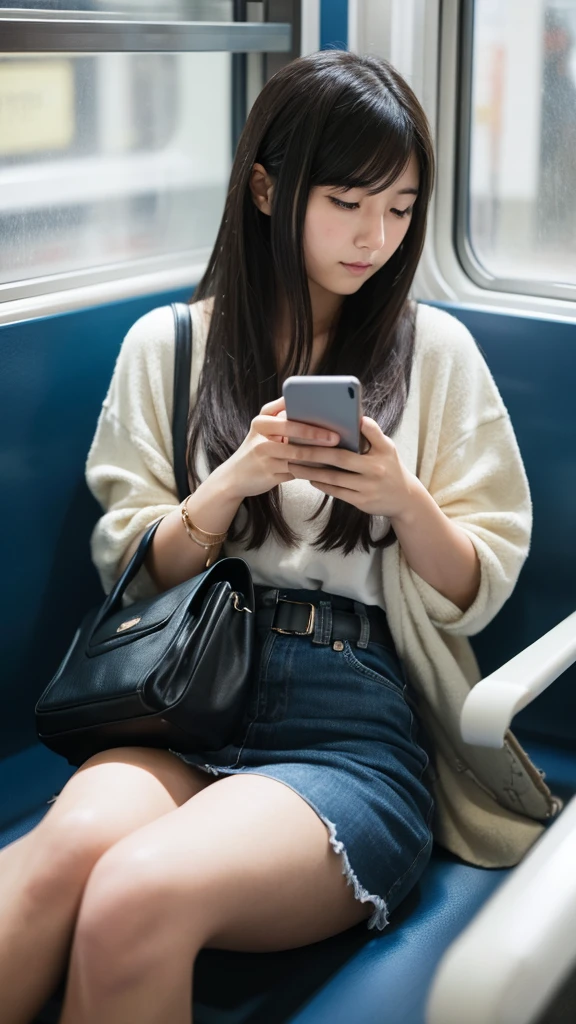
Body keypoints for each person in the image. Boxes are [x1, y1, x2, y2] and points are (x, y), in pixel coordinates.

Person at [0, 49, 559, 1024]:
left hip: (352, 726)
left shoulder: (435, 353)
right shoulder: (167, 348)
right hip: (183, 700)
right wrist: (234, 481)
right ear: (267, 187)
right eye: (349, 202)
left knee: (137, 894)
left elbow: (480, 582)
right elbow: (132, 577)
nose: (377, 237)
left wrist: (402, 496)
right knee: (49, 865)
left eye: (401, 208)